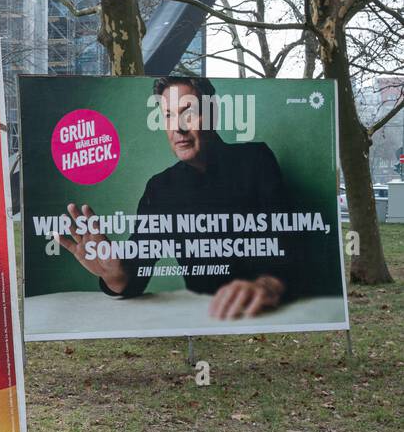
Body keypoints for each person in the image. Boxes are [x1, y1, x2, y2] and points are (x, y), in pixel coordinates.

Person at [57, 75, 298, 320]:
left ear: (213, 114)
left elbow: (289, 243)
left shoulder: (256, 159)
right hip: (205, 319)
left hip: (267, 315)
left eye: (188, 112)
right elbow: (136, 272)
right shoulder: (160, 188)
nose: (177, 128)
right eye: (169, 115)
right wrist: (115, 276)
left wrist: (267, 285)